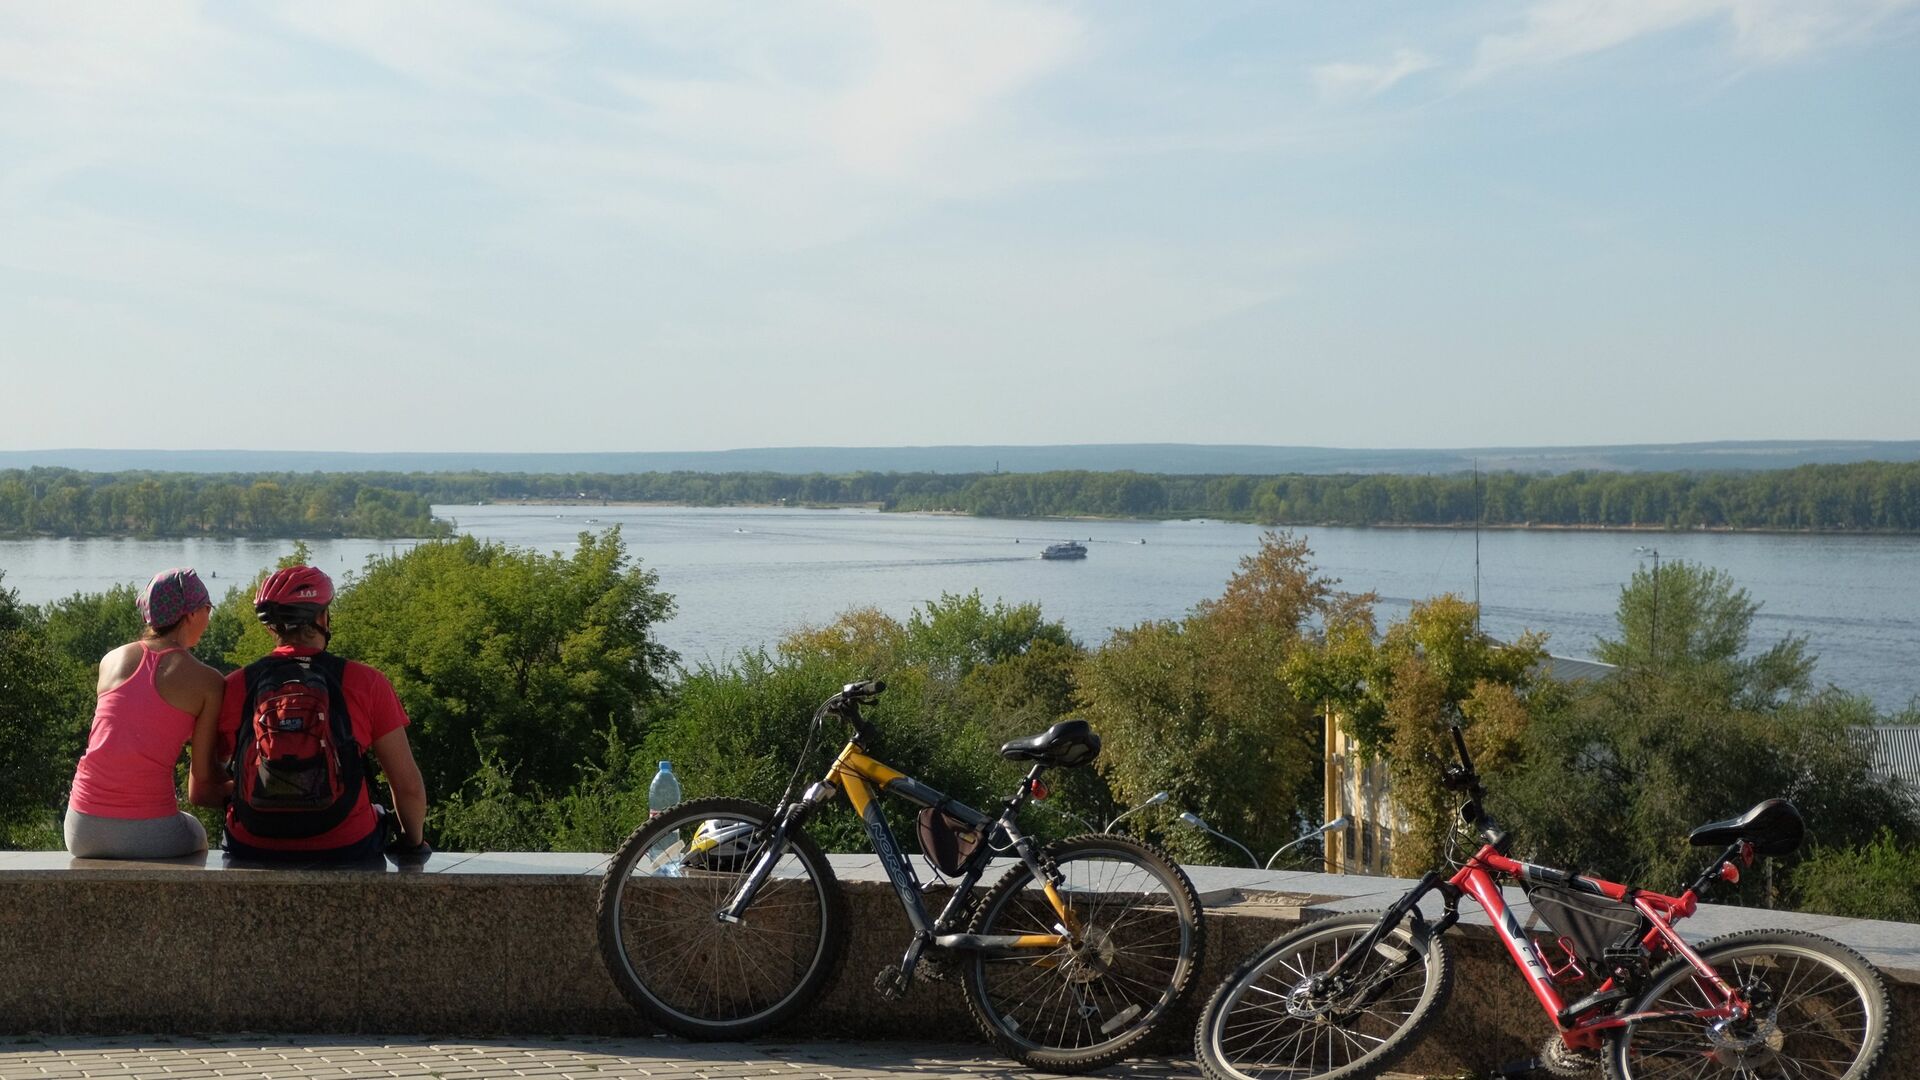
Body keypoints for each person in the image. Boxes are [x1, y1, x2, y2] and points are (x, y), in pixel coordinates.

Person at [207, 565, 429, 862]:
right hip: (347, 843)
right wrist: (412, 844)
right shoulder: (366, 682)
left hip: (251, 843)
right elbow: (408, 787)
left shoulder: (235, 686)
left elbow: (206, 784)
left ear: (271, 627)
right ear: (322, 618)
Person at [66, 567, 225, 859]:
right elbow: (202, 775)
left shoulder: (110, 660)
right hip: (150, 831)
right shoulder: (208, 682)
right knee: (197, 832)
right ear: (190, 614)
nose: (209, 616)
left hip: (80, 828)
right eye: (207, 608)